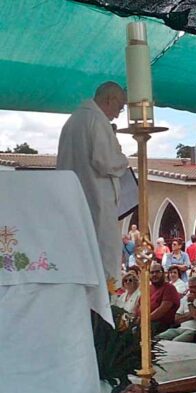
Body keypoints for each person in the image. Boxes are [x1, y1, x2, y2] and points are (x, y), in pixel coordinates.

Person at [56, 81, 129, 286]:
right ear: (109, 99)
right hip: (96, 198)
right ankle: (106, 306)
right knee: (103, 254)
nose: (117, 114)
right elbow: (104, 161)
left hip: (75, 198)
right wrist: (123, 159)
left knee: (82, 253)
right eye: (120, 107)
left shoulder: (74, 120)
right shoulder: (96, 120)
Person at [156, 275, 196, 342]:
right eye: (190, 287)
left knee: (175, 342)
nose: (192, 290)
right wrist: (191, 314)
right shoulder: (185, 299)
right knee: (157, 338)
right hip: (180, 328)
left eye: (195, 287)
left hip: (195, 330)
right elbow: (176, 319)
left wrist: (190, 303)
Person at [135, 263, 180, 335]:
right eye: (152, 272)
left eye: (157, 272)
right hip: (143, 321)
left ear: (164, 273)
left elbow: (162, 310)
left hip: (160, 325)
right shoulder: (147, 288)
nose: (154, 275)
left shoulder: (169, 288)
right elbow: (138, 305)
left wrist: (144, 320)